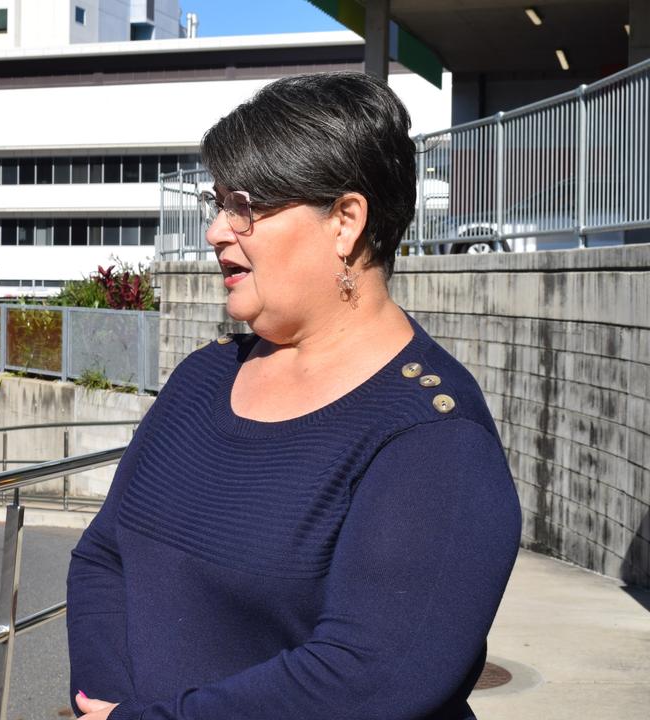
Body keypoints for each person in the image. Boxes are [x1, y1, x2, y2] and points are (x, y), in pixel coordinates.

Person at [66, 72, 521, 720]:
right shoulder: (203, 380)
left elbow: (365, 679)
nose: (217, 231)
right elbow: (103, 557)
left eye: (245, 205)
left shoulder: (432, 437)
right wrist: (105, 707)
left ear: (344, 221)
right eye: (216, 203)